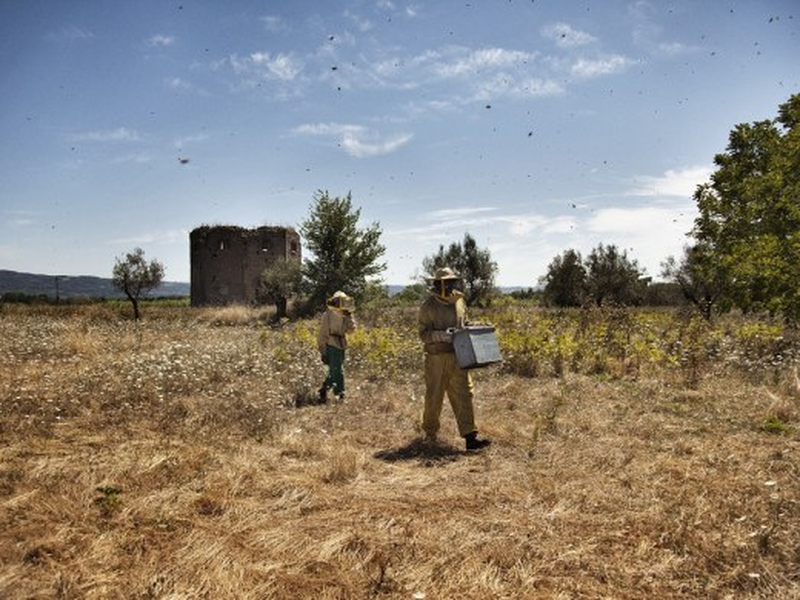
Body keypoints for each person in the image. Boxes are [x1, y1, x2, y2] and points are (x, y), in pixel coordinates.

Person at [418, 267, 491, 451]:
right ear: (437, 284)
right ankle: (430, 435)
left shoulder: (459, 301)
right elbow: (423, 334)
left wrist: (473, 327)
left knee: (464, 395)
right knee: (434, 396)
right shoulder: (428, 306)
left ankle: (470, 438)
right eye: (445, 282)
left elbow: (463, 323)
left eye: (451, 281)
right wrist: (442, 335)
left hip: (459, 355)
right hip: (436, 358)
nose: (449, 285)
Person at [317, 290, 356, 403]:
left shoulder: (345, 314)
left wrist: (349, 317)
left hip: (342, 344)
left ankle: (323, 389)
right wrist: (323, 350)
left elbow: (351, 330)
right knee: (338, 370)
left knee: (334, 371)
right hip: (331, 344)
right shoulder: (327, 315)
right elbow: (322, 333)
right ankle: (340, 394)